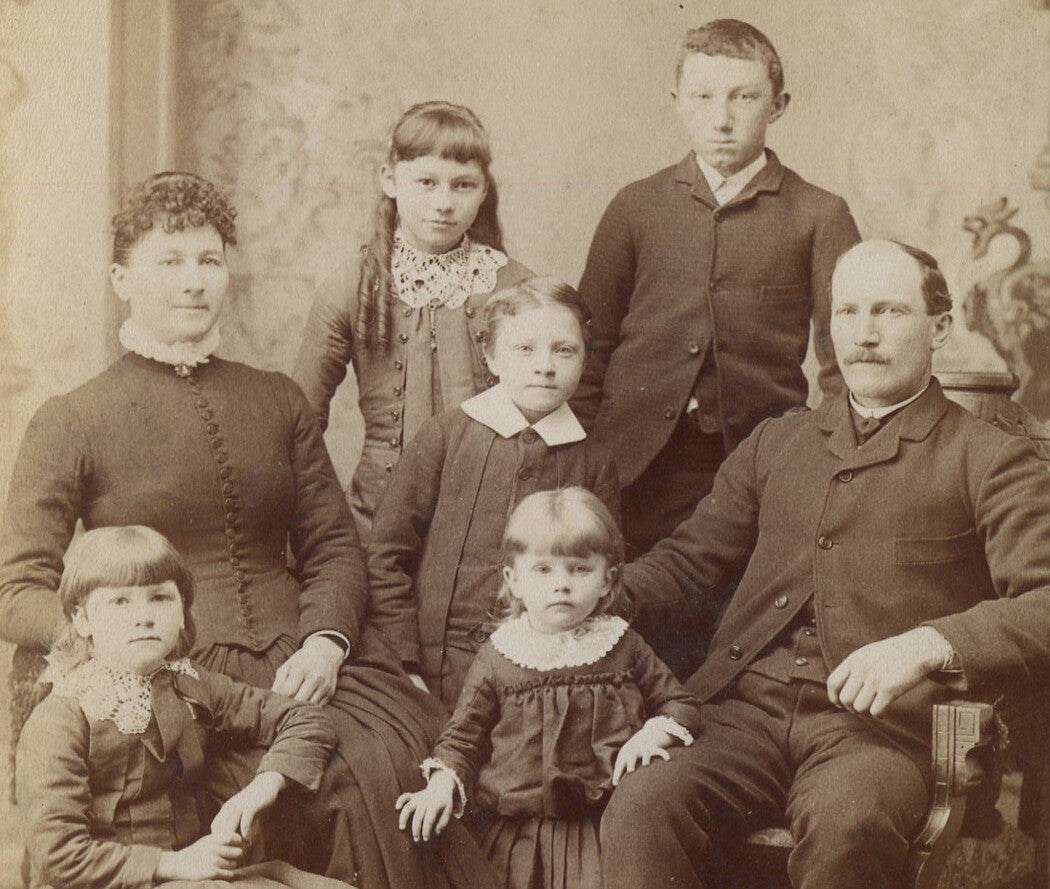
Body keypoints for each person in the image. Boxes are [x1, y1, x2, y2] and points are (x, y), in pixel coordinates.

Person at [0, 172, 501, 889]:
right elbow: (16, 586)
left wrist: (327, 641)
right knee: (321, 791)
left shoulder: (276, 397)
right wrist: (115, 657)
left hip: (306, 659)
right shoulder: (72, 417)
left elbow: (333, 543)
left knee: (397, 756)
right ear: (121, 278)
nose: (192, 282)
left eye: (208, 260)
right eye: (168, 262)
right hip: (187, 678)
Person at [599, 240, 1050, 889]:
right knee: (643, 803)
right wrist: (594, 600)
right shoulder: (777, 442)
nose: (862, 334)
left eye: (888, 312)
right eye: (848, 312)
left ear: (940, 327)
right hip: (738, 714)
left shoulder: (988, 458)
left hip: (880, 733)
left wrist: (930, 643)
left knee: (850, 824)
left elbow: (1042, 599)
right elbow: (687, 564)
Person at [572, 19, 861, 560]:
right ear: (678, 101)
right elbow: (589, 349)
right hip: (628, 468)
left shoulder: (819, 214)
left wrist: (819, 467)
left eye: (743, 97)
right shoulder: (636, 205)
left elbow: (844, 364)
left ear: (778, 104)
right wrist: (582, 465)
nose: (721, 118)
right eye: (703, 97)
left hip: (754, 467)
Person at [394, 488, 701, 889]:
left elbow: (681, 703)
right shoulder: (501, 656)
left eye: (579, 570)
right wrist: (439, 785)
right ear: (514, 580)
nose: (562, 585)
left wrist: (651, 734)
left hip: (600, 831)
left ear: (607, 582)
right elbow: (461, 739)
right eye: (544, 570)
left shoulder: (622, 645)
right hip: (517, 839)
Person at [17, 525, 350, 889]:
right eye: (120, 601)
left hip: (191, 872)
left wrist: (264, 785)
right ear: (82, 619)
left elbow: (304, 719)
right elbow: (61, 857)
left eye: (160, 597)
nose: (144, 616)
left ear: (181, 612)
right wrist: (174, 864)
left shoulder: (189, 683)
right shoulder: (62, 718)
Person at [367, 278, 619, 707]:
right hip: (430, 674)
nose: (545, 366)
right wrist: (405, 663)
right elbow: (386, 555)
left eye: (564, 350)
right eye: (525, 349)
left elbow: (603, 580)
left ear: (584, 359)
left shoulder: (593, 464)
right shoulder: (446, 437)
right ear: (491, 356)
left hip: (538, 688)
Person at [293, 101, 531, 541]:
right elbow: (301, 426)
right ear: (389, 179)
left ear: (483, 191)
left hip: (495, 524)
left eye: (463, 185)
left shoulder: (515, 287)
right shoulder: (350, 286)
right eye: (426, 182)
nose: (443, 203)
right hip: (375, 524)